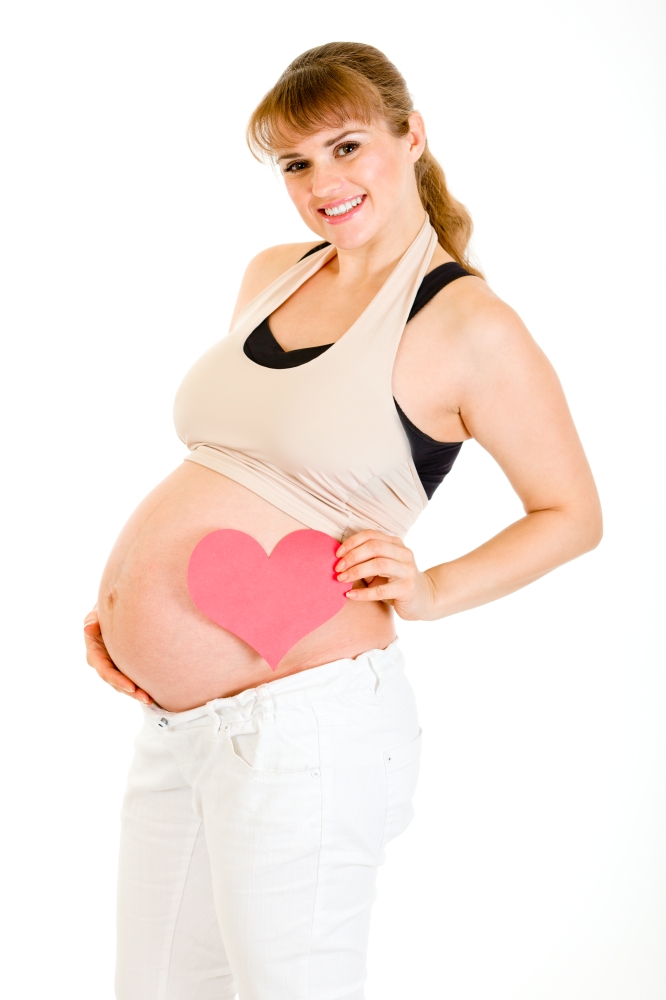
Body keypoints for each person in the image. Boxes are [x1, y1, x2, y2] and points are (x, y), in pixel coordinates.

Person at [84, 41, 602, 1000]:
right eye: (296, 162)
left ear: (412, 138)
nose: (324, 181)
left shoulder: (467, 325)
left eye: (348, 146)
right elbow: (235, 463)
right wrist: (129, 618)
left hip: (305, 729)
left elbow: (572, 513)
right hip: (180, 726)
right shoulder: (272, 273)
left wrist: (434, 587)